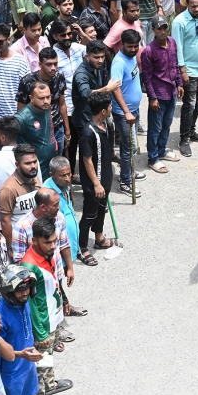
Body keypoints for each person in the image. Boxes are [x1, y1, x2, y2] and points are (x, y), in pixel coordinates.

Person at [19, 217, 73, 395]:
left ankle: (50, 384)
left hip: (53, 317)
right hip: (43, 324)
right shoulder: (29, 266)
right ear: (35, 241)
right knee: (39, 367)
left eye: (54, 241)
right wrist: (40, 333)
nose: (52, 246)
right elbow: (31, 304)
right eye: (47, 242)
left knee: (48, 360)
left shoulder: (48, 253)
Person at [0, 265, 42, 395]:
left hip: (28, 370)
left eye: (27, 288)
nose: (25, 292)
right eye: (20, 290)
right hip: (11, 376)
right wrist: (20, 354)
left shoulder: (23, 301)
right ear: (9, 292)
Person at [78, 92, 117, 267]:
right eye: (109, 106)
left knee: (102, 210)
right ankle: (83, 248)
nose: (111, 108)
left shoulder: (105, 125)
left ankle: (99, 238)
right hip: (95, 184)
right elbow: (87, 159)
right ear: (103, 110)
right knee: (89, 215)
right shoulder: (88, 133)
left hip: (105, 180)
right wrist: (96, 183)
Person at [141, 15, 183, 170]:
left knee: (167, 124)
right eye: (159, 28)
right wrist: (152, 97)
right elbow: (147, 76)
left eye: (165, 27)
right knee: (155, 127)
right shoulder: (149, 51)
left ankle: (162, 150)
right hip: (158, 94)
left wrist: (179, 83)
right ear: (153, 30)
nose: (163, 31)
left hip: (171, 91)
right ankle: (152, 158)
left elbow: (175, 64)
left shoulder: (172, 42)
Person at [111, 29, 146, 198]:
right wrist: (126, 111)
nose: (133, 49)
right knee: (128, 148)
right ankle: (125, 181)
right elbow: (115, 88)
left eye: (136, 46)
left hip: (134, 109)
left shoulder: (131, 58)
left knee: (131, 148)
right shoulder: (119, 63)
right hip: (124, 114)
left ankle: (130, 172)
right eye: (129, 46)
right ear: (122, 45)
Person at [17, 47, 70, 155]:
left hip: (57, 128)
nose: (53, 68)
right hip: (36, 130)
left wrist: (67, 130)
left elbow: (62, 104)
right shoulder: (27, 81)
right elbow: (21, 109)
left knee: (57, 162)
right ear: (40, 64)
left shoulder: (59, 76)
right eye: (49, 64)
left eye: (55, 64)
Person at [0, 145, 41, 246]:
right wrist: (11, 247)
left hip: (37, 240)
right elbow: (5, 221)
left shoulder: (35, 179)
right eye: (28, 163)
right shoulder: (8, 189)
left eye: (35, 161)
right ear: (17, 164)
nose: (33, 166)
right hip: (19, 244)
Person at [15, 83, 58, 181]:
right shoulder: (22, 118)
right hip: (35, 175)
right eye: (41, 98)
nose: (46, 101)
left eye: (48, 97)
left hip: (49, 171)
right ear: (31, 98)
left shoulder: (46, 108)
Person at [44, 156, 80, 260]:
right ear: (52, 175)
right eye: (63, 175)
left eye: (69, 174)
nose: (68, 178)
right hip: (59, 248)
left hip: (69, 244)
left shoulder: (64, 184)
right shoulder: (48, 193)